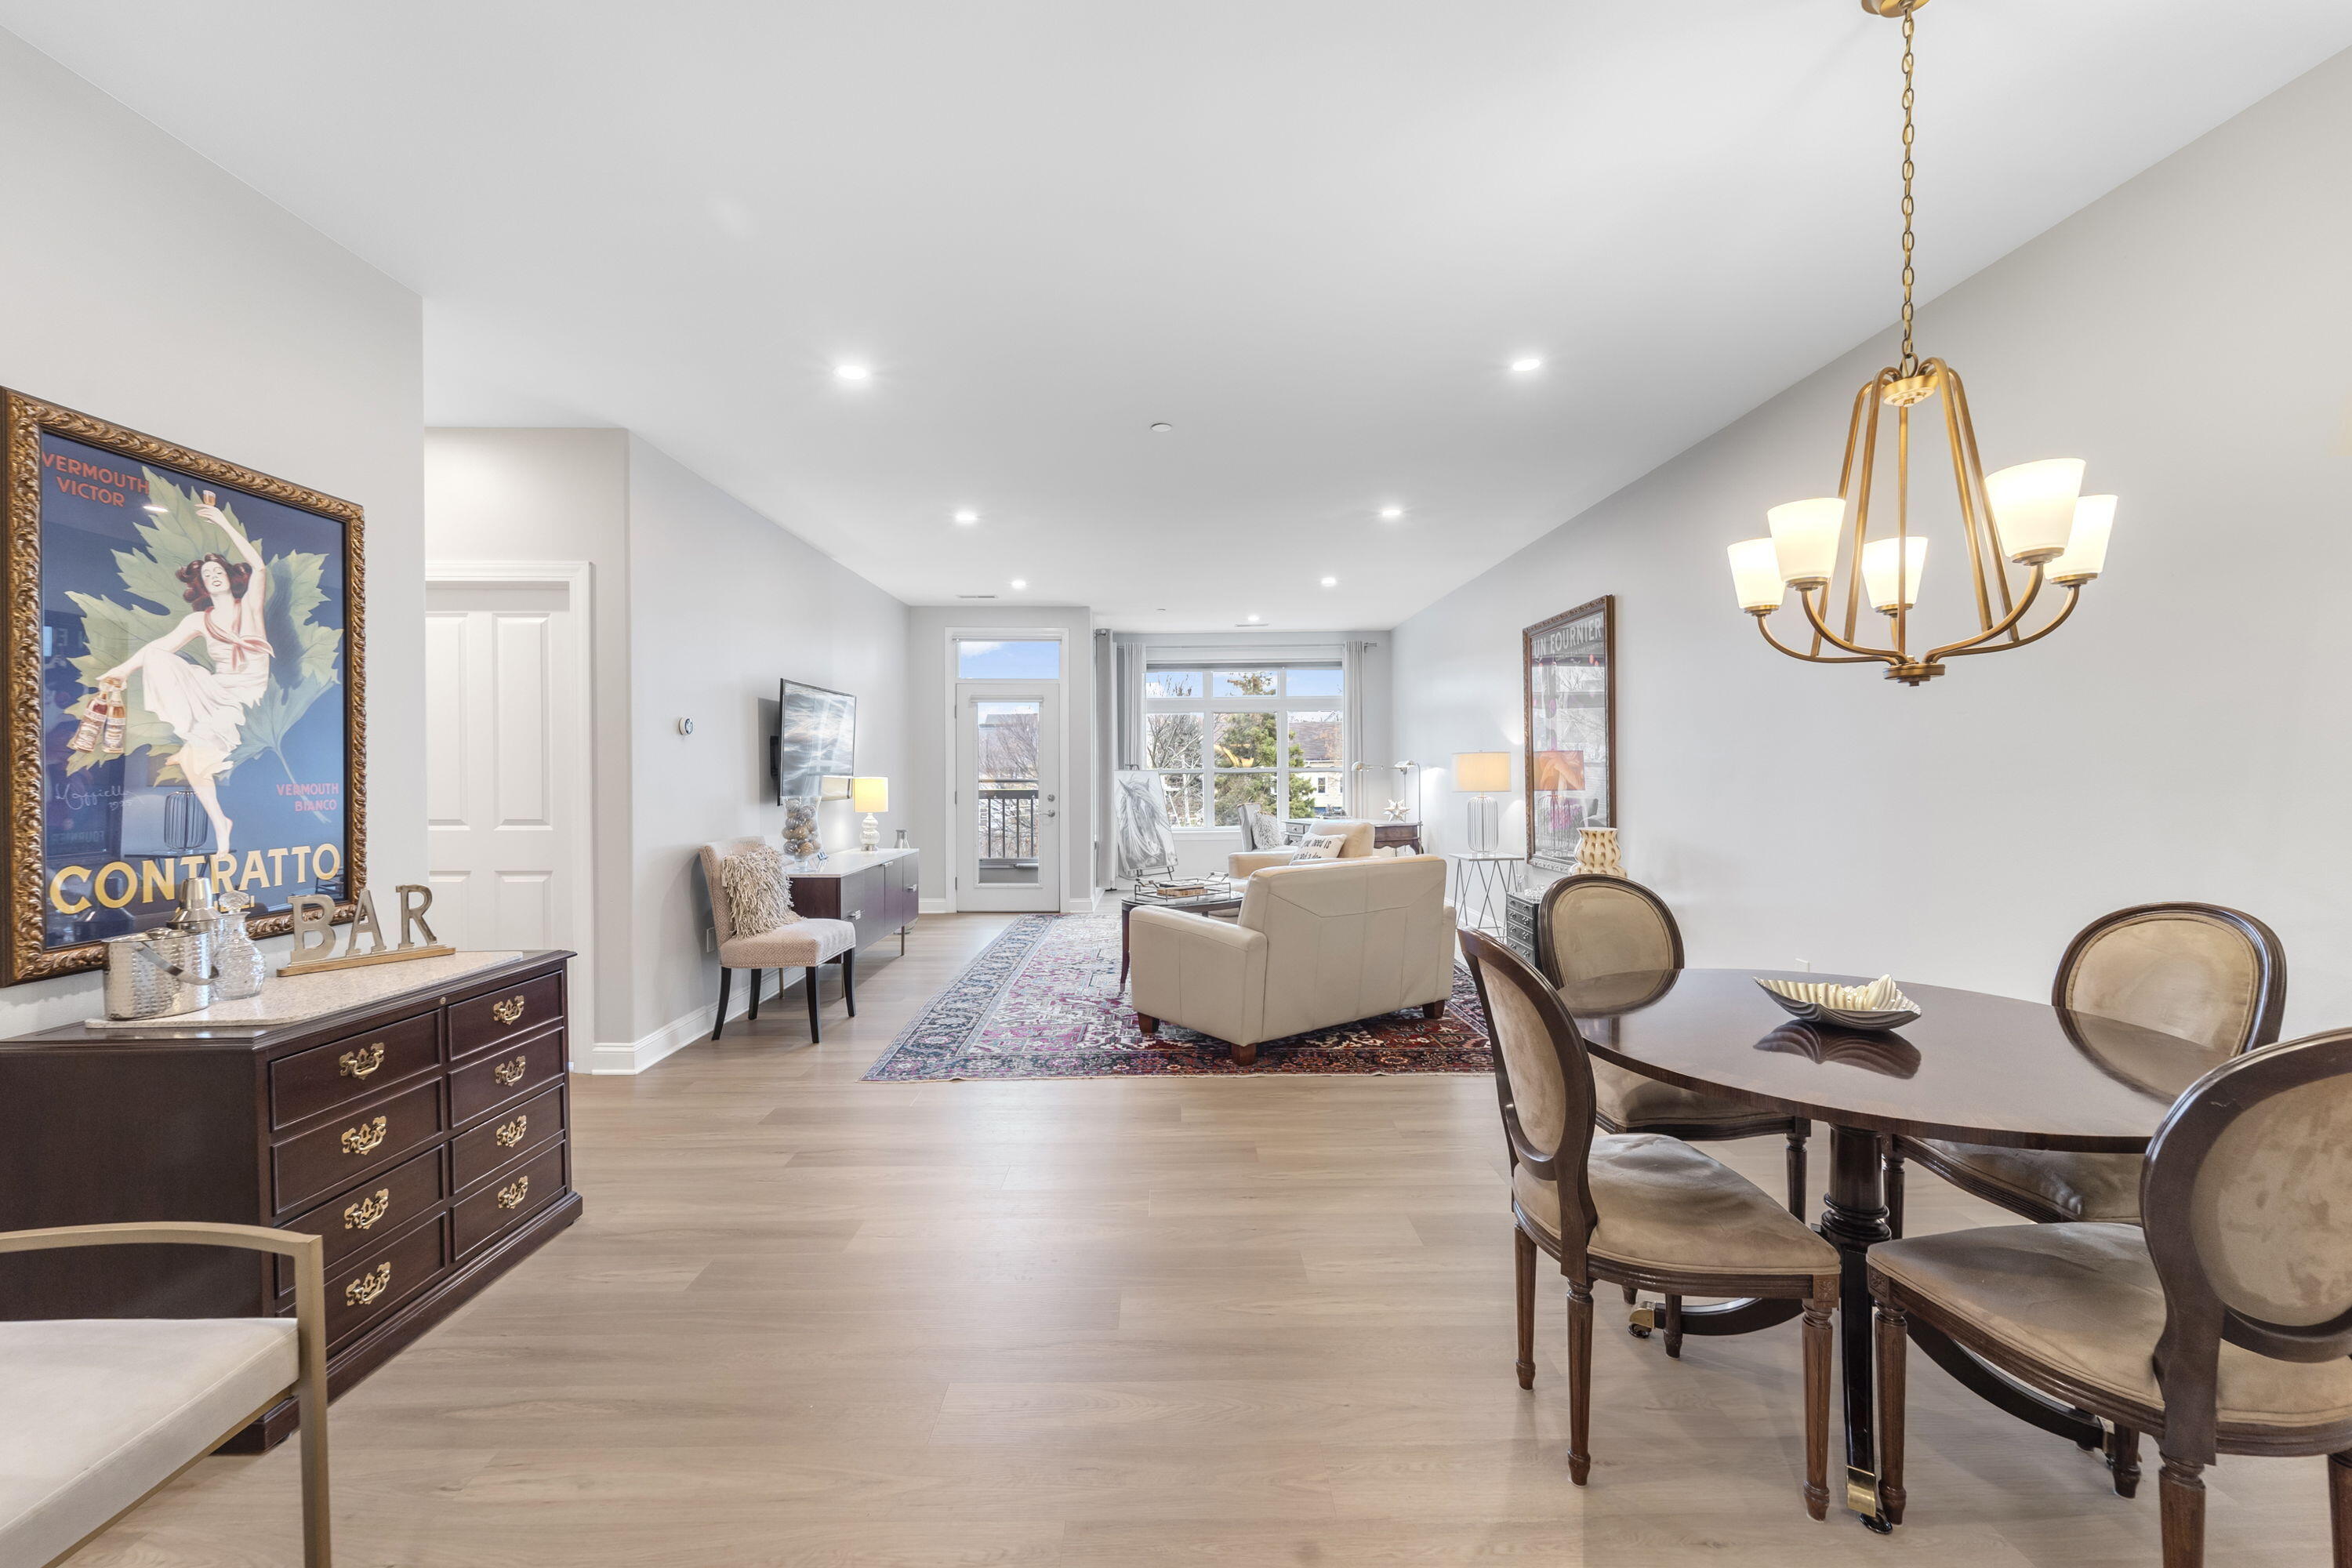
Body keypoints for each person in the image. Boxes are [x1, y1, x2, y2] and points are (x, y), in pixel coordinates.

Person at [92, 492, 270, 856]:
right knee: (159, 658)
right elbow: (160, 646)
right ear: (202, 585)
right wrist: (123, 670)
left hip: (248, 686)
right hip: (219, 686)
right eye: (208, 575)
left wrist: (221, 522)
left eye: (219, 571)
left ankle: (199, 755)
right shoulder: (197, 620)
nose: (215, 577)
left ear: (229, 578)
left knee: (197, 753)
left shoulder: (249, 604)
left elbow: (260, 567)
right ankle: (220, 822)